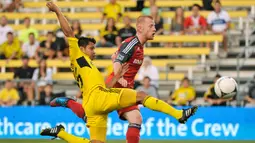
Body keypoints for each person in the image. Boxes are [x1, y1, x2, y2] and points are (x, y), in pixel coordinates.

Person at [40, 2, 198, 143]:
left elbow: (105, 85)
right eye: (91, 48)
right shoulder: (77, 55)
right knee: (141, 96)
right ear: (82, 49)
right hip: (99, 98)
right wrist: (58, 11)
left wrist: (117, 76)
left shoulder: (89, 67)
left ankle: (61, 133)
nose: (94, 51)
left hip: (93, 104)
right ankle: (178, 115)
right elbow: (69, 33)